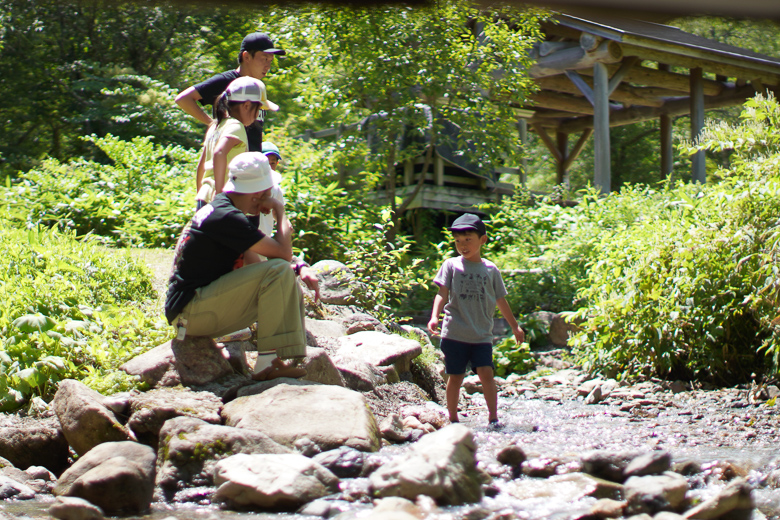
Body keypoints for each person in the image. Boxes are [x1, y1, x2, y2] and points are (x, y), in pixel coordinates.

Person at [166, 152, 319, 380]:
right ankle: (267, 364)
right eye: (268, 192)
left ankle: (277, 359)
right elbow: (283, 255)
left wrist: (296, 270)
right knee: (279, 269)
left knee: (282, 275)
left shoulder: (226, 212)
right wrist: (280, 210)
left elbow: (258, 271)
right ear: (257, 194)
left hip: (194, 312)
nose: (270, 196)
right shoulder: (226, 217)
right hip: (192, 313)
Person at [427, 213, 525, 426]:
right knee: (455, 376)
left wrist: (515, 327)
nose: (462, 245)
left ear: (482, 240)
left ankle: (493, 418)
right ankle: (452, 418)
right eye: (458, 241)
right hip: (455, 333)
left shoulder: (490, 269)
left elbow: (501, 300)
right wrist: (435, 316)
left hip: (482, 334)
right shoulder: (451, 265)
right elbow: (442, 293)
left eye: (468, 240)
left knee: (486, 374)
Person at [175, 32, 284, 151]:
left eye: (270, 60)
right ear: (246, 56)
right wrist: (212, 124)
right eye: (265, 59)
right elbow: (183, 99)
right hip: (228, 161)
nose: (268, 66)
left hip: (251, 161)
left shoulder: (257, 86)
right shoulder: (227, 81)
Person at [195, 76, 277, 209]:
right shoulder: (236, 127)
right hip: (221, 198)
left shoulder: (216, 125)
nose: (258, 115)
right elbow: (219, 152)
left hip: (204, 195)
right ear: (246, 105)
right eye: (258, 109)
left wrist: (200, 192)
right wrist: (220, 194)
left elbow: (202, 164)